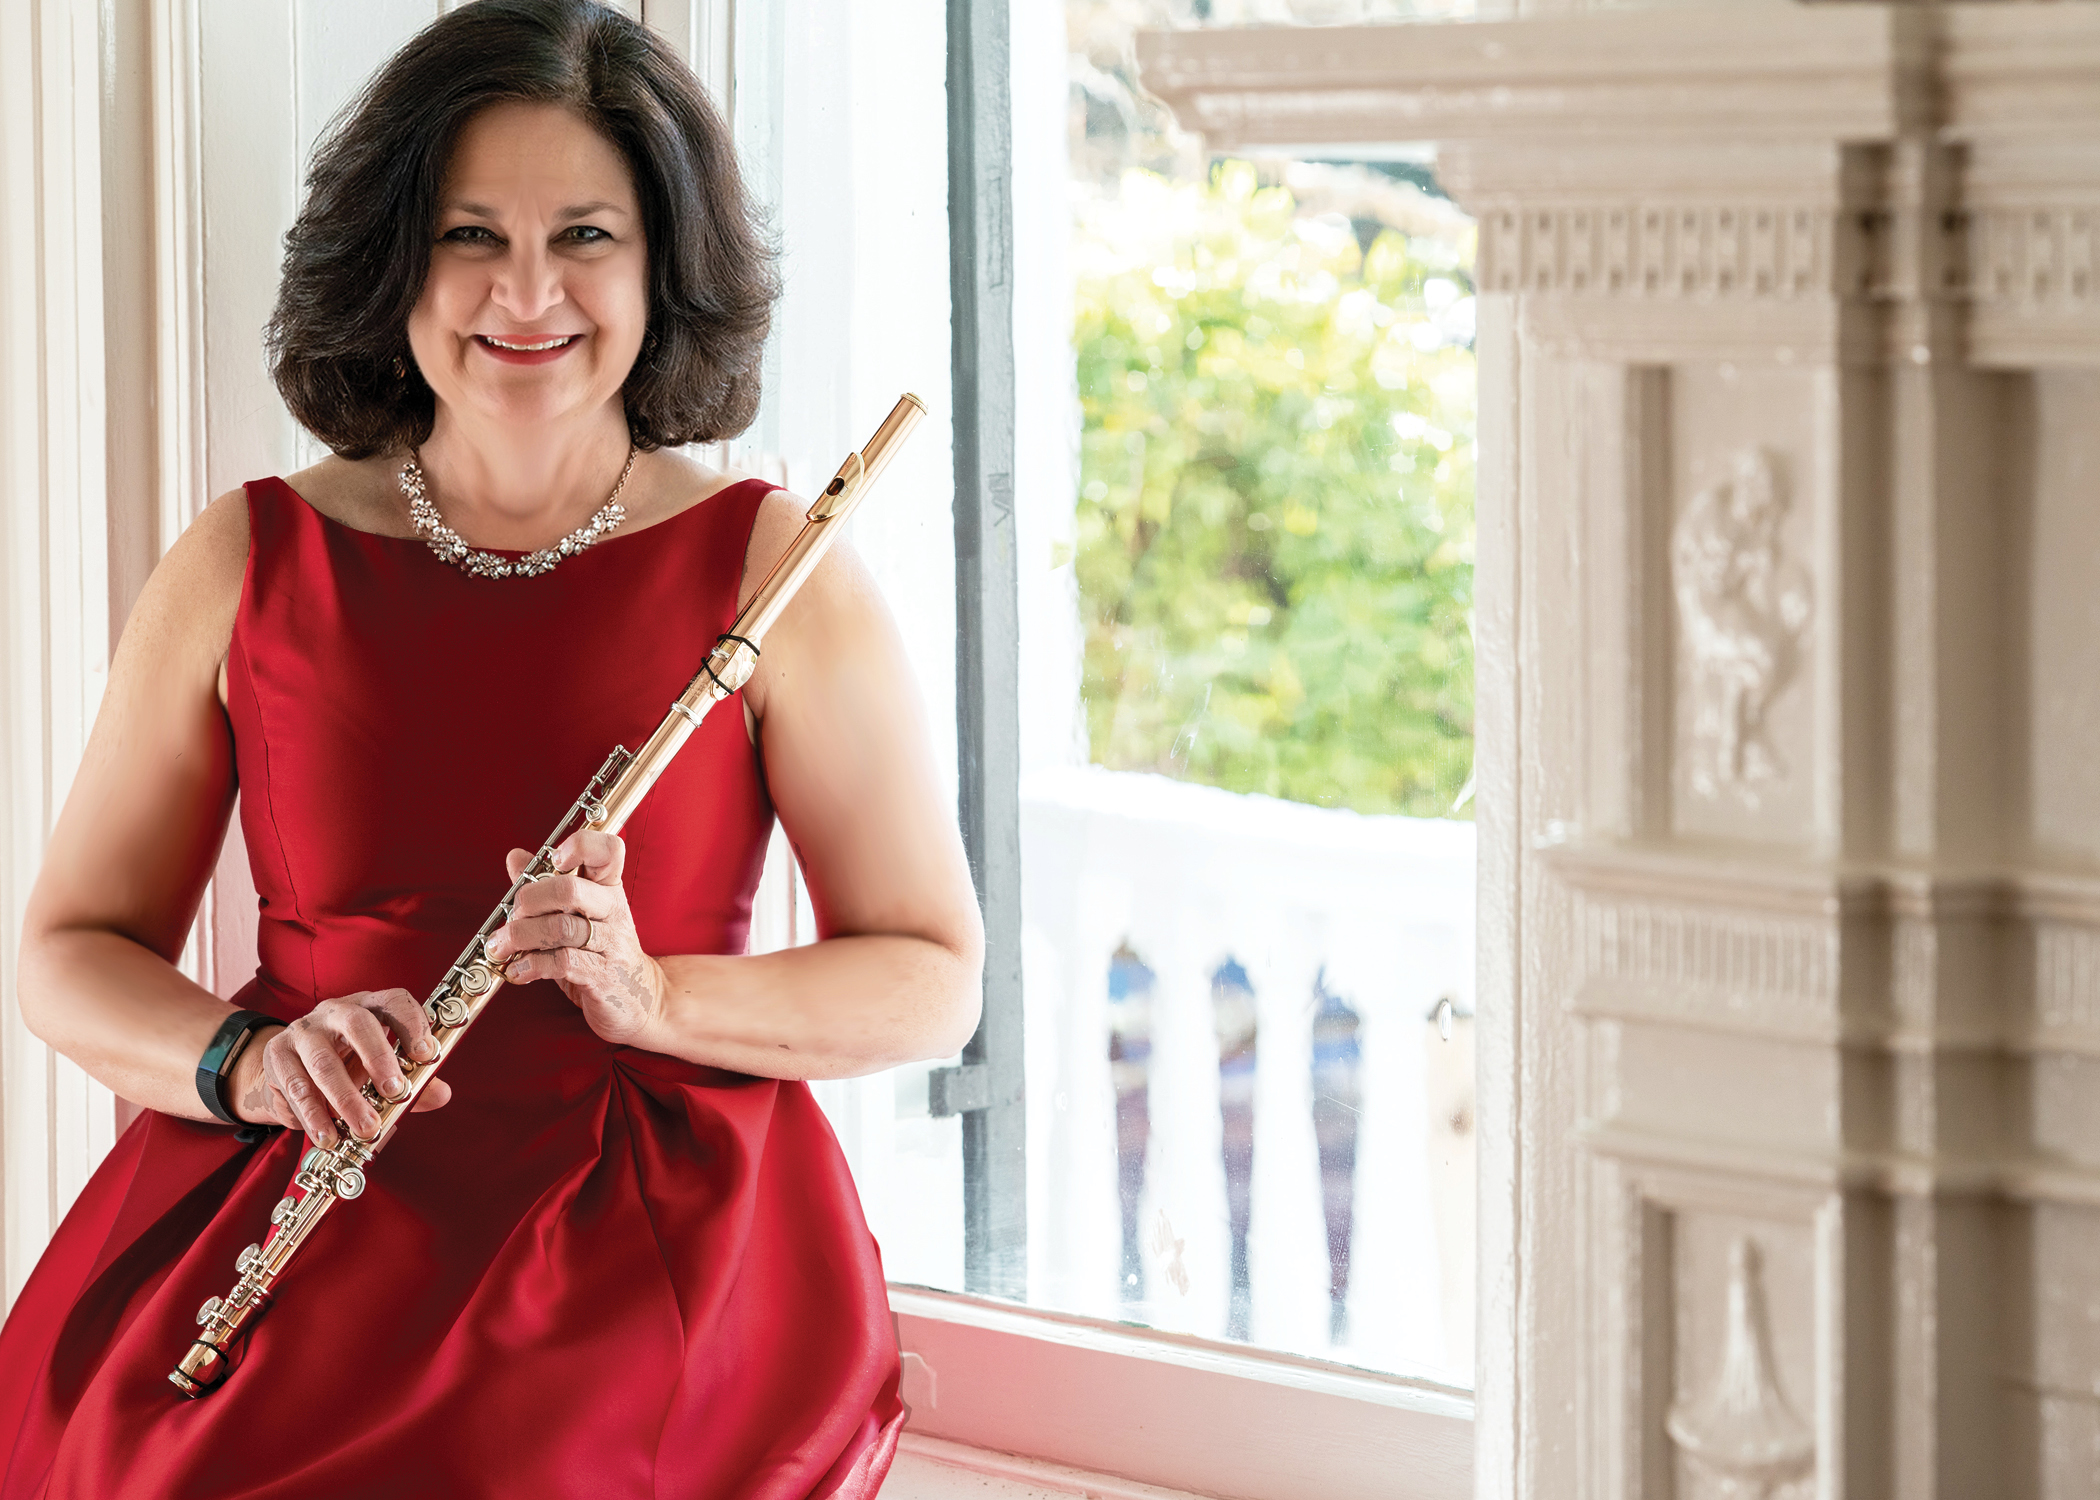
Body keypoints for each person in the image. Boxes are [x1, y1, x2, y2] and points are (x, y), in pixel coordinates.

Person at [0, 1, 982, 1494]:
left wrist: (647, 992)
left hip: (647, 1245)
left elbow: (931, 975)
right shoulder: (248, 557)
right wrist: (251, 1065)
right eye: (471, 237)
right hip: (303, 1177)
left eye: (586, 236)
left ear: (664, 269)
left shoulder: (774, 570)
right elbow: (67, 947)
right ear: (394, 262)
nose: (527, 294)